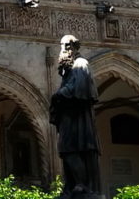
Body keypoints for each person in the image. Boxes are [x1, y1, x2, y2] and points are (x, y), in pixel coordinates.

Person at [49, 35, 100, 198]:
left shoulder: (81, 64)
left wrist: (60, 94)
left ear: (73, 47)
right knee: (66, 150)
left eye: (65, 46)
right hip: (68, 116)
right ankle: (72, 184)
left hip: (77, 118)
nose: (62, 50)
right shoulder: (69, 69)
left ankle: (81, 184)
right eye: (62, 47)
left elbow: (80, 87)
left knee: (72, 149)